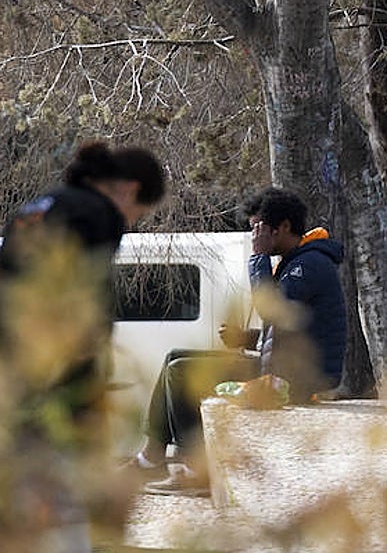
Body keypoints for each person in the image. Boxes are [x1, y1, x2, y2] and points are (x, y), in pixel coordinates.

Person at [0, 141, 166, 553]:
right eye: (138, 213)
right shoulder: (98, 215)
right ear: (129, 190)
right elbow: (84, 302)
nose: (130, 222)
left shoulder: (40, 206)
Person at [130, 187, 347, 495]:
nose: (254, 236)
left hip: (298, 378)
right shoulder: (299, 260)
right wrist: (248, 338)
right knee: (174, 357)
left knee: (182, 372)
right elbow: (295, 327)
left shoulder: (310, 264)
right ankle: (151, 456)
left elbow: (269, 304)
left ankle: (198, 470)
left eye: (259, 228)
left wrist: (258, 257)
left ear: (283, 227)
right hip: (281, 365)